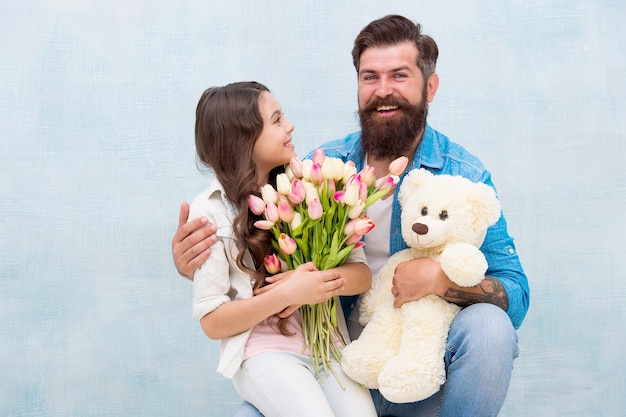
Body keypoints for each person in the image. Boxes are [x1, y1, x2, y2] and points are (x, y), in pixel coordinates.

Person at [173, 16, 530, 417]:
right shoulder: (318, 172)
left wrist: (442, 280)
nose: (382, 91)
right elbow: (246, 232)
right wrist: (199, 255)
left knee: (490, 330)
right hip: (330, 360)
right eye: (369, 77)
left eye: (399, 75)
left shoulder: (463, 176)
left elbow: (515, 295)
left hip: (415, 372)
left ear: (430, 86)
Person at [186, 81, 377, 417]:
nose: (289, 126)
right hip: (264, 353)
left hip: (329, 348)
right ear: (243, 137)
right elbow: (212, 322)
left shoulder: (314, 188)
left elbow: (362, 275)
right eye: (276, 120)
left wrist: (317, 283)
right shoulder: (210, 211)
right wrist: (287, 293)